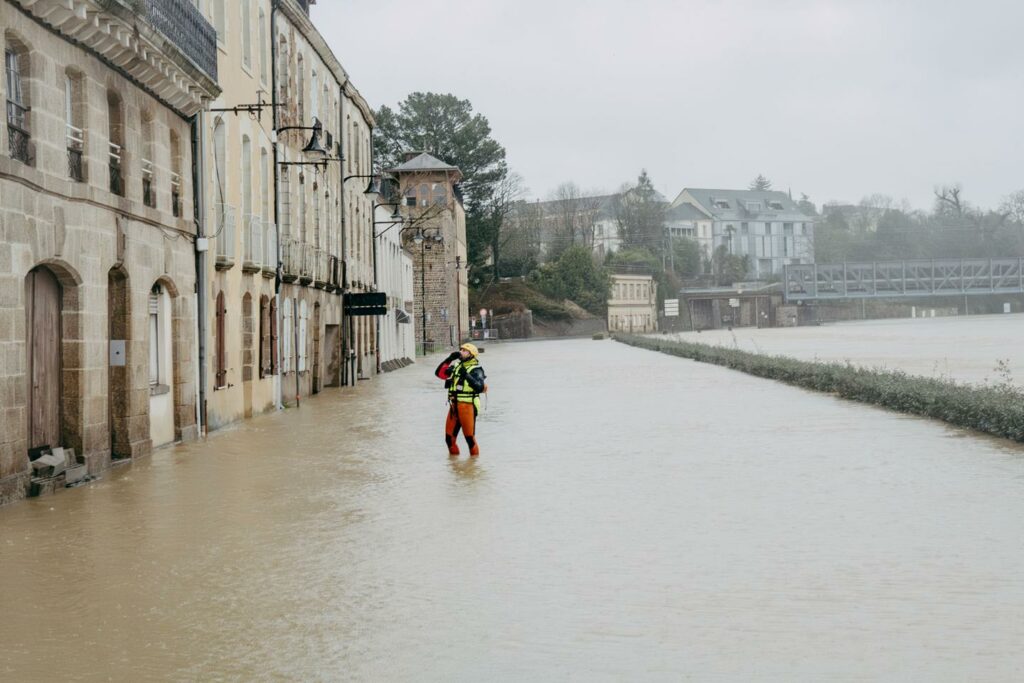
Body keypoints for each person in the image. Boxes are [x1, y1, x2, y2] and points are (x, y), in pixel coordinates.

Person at [435, 343, 487, 456]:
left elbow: (479, 387)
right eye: (461, 349)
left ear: (471, 355)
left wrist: (466, 375)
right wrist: (449, 359)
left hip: (467, 406)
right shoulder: (456, 366)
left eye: (465, 350)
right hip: (454, 406)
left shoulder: (476, 369)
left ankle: (473, 467)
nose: (461, 352)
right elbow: (439, 373)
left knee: (469, 439)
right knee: (449, 439)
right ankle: (454, 467)